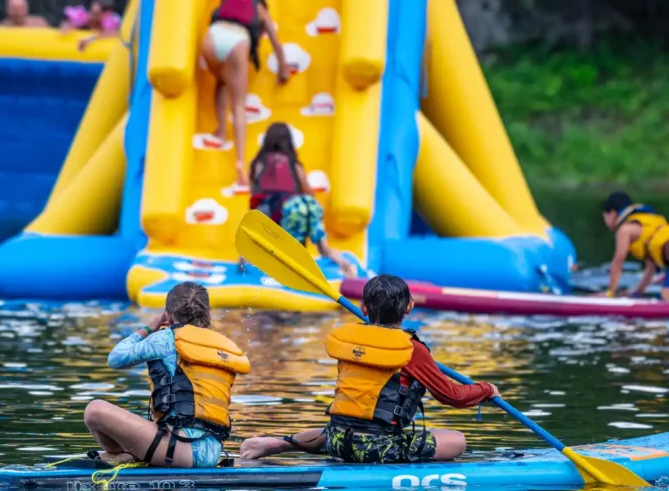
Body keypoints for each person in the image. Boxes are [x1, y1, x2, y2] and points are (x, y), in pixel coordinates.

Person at [240, 274, 500, 463]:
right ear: (409, 306)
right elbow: (452, 396)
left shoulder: (348, 340)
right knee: (456, 440)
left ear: (363, 308)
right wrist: (486, 389)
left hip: (337, 442)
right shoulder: (411, 349)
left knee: (342, 426)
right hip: (375, 448)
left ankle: (278, 443)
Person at [84, 282, 250, 467]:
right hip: (212, 452)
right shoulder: (223, 348)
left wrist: (148, 328)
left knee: (95, 410)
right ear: (208, 314)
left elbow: (115, 359)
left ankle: (122, 455)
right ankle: (136, 454)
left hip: (178, 450)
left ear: (168, 317)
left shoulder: (164, 338)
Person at [244, 122, 356, 277]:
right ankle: (344, 264)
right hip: (300, 207)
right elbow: (307, 189)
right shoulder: (294, 164)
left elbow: (255, 191)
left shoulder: (259, 163)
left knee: (254, 235)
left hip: (275, 210)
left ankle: (249, 260)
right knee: (322, 247)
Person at [201, 0, 291, 187]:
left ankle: (221, 132)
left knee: (221, 81)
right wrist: (283, 69)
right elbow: (276, 43)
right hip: (237, 40)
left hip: (212, 36)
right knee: (238, 104)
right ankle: (240, 164)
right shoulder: (259, 8)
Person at [600, 191, 669, 300]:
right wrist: (637, 293)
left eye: (604, 217)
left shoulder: (625, 230)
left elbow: (618, 261)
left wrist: (610, 293)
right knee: (662, 296)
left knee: (666, 294)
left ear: (612, 213)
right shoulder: (649, 225)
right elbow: (650, 268)